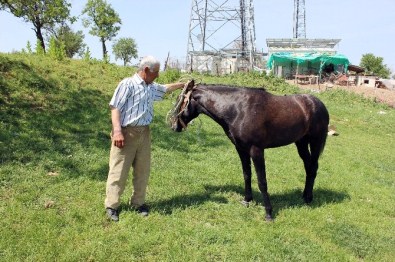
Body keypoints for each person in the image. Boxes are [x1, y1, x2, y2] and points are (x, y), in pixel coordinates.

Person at [105, 55, 185, 222]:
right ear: (146, 70)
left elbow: (165, 89)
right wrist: (117, 131)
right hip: (126, 133)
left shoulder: (151, 86)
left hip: (144, 133)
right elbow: (115, 108)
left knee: (143, 170)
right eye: (156, 72)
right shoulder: (127, 84)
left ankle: (138, 202)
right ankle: (112, 206)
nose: (158, 75)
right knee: (118, 171)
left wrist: (182, 85)